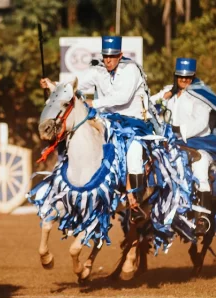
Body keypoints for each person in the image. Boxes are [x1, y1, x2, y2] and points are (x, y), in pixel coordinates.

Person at [40, 36, 156, 220]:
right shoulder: (98, 70)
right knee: (80, 135)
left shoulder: (131, 70)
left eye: (112, 56)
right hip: (108, 120)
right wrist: (52, 84)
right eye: (105, 56)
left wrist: (94, 102)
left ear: (121, 55)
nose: (108, 60)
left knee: (134, 152)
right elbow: (71, 87)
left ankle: (135, 199)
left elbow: (123, 97)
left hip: (134, 123)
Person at [152, 58, 216, 234]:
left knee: (200, 166)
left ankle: (203, 217)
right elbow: (150, 103)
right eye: (181, 77)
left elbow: (201, 122)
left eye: (188, 77)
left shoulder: (200, 95)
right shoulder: (169, 92)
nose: (184, 81)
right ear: (175, 76)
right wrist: (161, 99)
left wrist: (178, 129)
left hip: (200, 142)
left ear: (193, 76)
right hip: (171, 142)